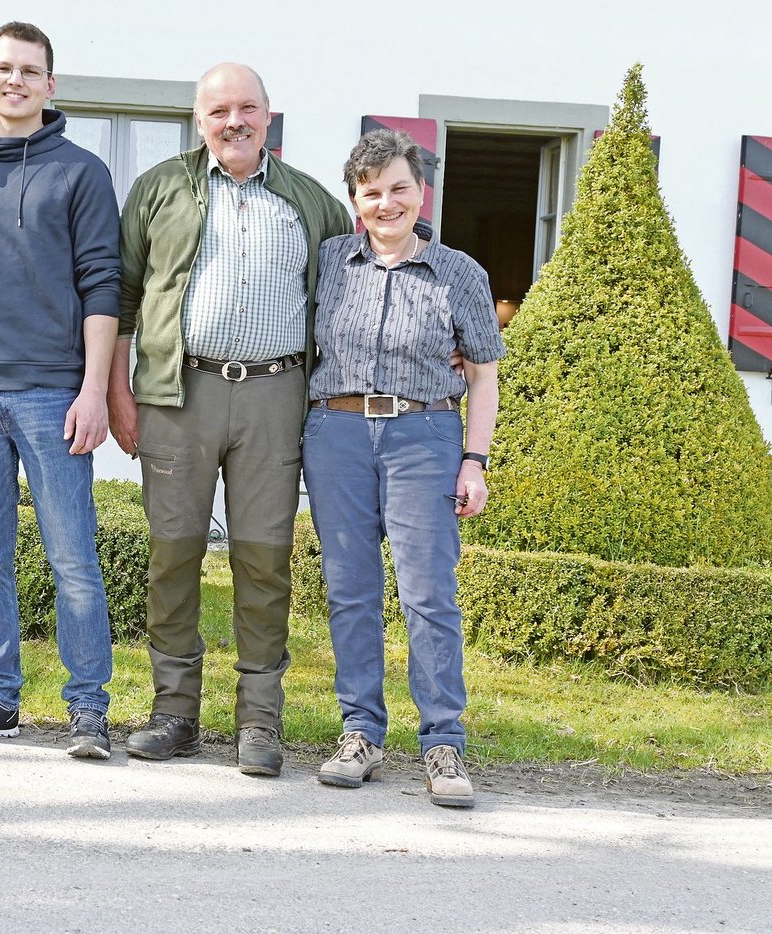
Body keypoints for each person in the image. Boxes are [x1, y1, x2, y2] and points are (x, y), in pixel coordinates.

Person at [110, 63, 351, 777]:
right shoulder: (158, 189)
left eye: (248, 108)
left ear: (269, 116)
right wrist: (122, 394)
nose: (234, 121)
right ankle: (175, 713)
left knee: (263, 558)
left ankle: (259, 725)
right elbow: (124, 297)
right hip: (178, 394)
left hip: (278, 396)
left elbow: (346, 294)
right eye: (220, 110)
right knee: (173, 552)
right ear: (198, 119)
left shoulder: (311, 202)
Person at [0, 22, 121, 759]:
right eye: (3, 68)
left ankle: (87, 708)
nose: (16, 80)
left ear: (50, 85)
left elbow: (104, 286)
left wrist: (93, 390)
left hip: (51, 393)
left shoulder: (82, 173)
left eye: (29, 70)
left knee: (74, 556)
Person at [303, 128, 504, 808]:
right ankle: (359, 732)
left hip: (425, 433)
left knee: (427, 594)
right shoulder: (330, 260)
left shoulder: (459, 273)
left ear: (422, 192)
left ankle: (443, 743)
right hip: (335, 431)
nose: (385, 204)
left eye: (398, 189)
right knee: (351, 589)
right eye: (371, 193)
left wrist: (474, 460)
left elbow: (483, 375)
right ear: (355, 200)